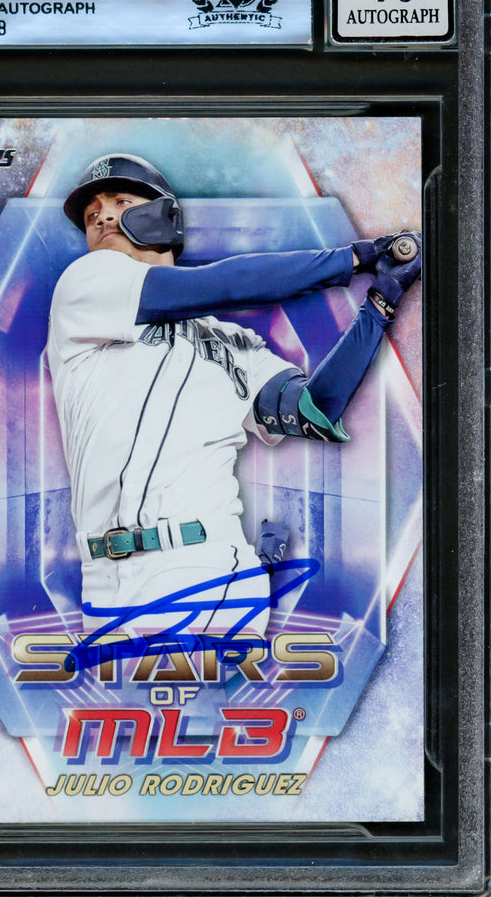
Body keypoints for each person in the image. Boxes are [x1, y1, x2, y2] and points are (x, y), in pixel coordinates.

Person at [46, 154, 421, 638]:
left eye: (121, 201)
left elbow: (314, 409)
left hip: (211, 565)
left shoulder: (235, 344)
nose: (102, 217)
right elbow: (222, 284)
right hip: (108, 575)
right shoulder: (84, 284)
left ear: (164, 217)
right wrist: (352, 258)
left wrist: (380, 304)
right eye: (92, 213)